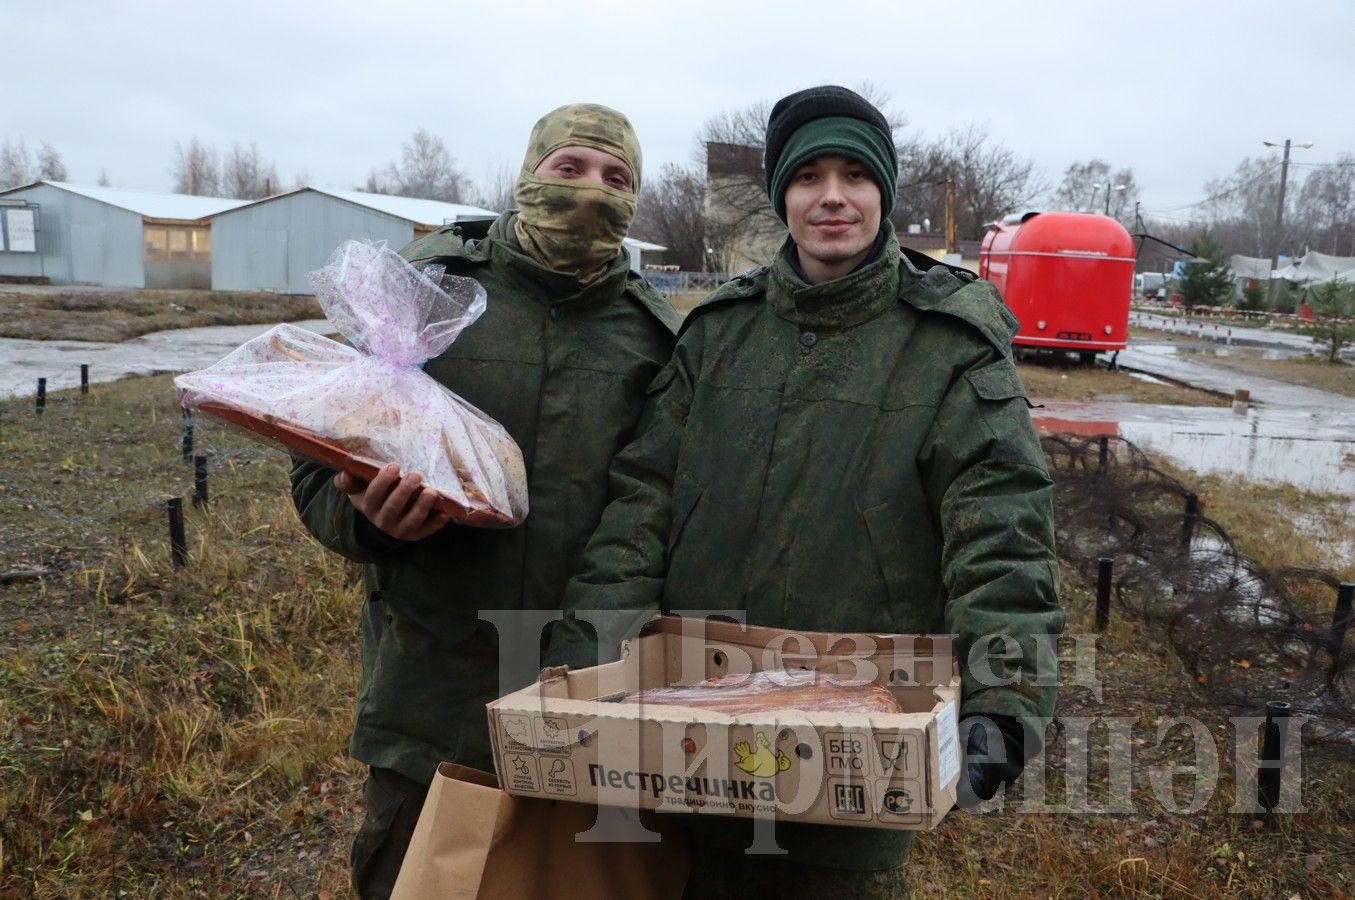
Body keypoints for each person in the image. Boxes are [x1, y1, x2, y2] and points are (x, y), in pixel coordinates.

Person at [548, 85, 1064, 898]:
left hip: (856, 745)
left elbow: (1001, 536)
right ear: (781, 196)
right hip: (691, 732)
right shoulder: (718, 335)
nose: (832, 196)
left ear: (883, 194)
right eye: (808, 176)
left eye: (855, 175)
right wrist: (582, 665)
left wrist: (1003, 700)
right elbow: (639, 508)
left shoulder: (948, 346)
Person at [290, 103, 679, 899]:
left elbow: (663, 507)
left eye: (617, 179)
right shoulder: (422, 294)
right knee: (419, 877)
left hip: (588, 684)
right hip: (434, 689)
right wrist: (372, 524)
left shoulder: (652, 339)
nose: (590, 193)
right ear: (526, 174)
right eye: (568, 169)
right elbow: (314, 470)